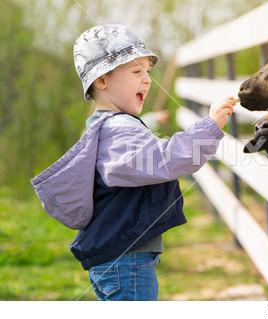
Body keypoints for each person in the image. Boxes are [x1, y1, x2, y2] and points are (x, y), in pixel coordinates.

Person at [31, 24, 235, 301]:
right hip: (125, 263)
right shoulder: (118, 129)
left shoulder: (107, 126)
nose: (148, 80)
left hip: (122, 261)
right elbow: (167, 159)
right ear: (102, 81)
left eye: (147, 72)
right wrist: (210, 126)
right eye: (136, 71)